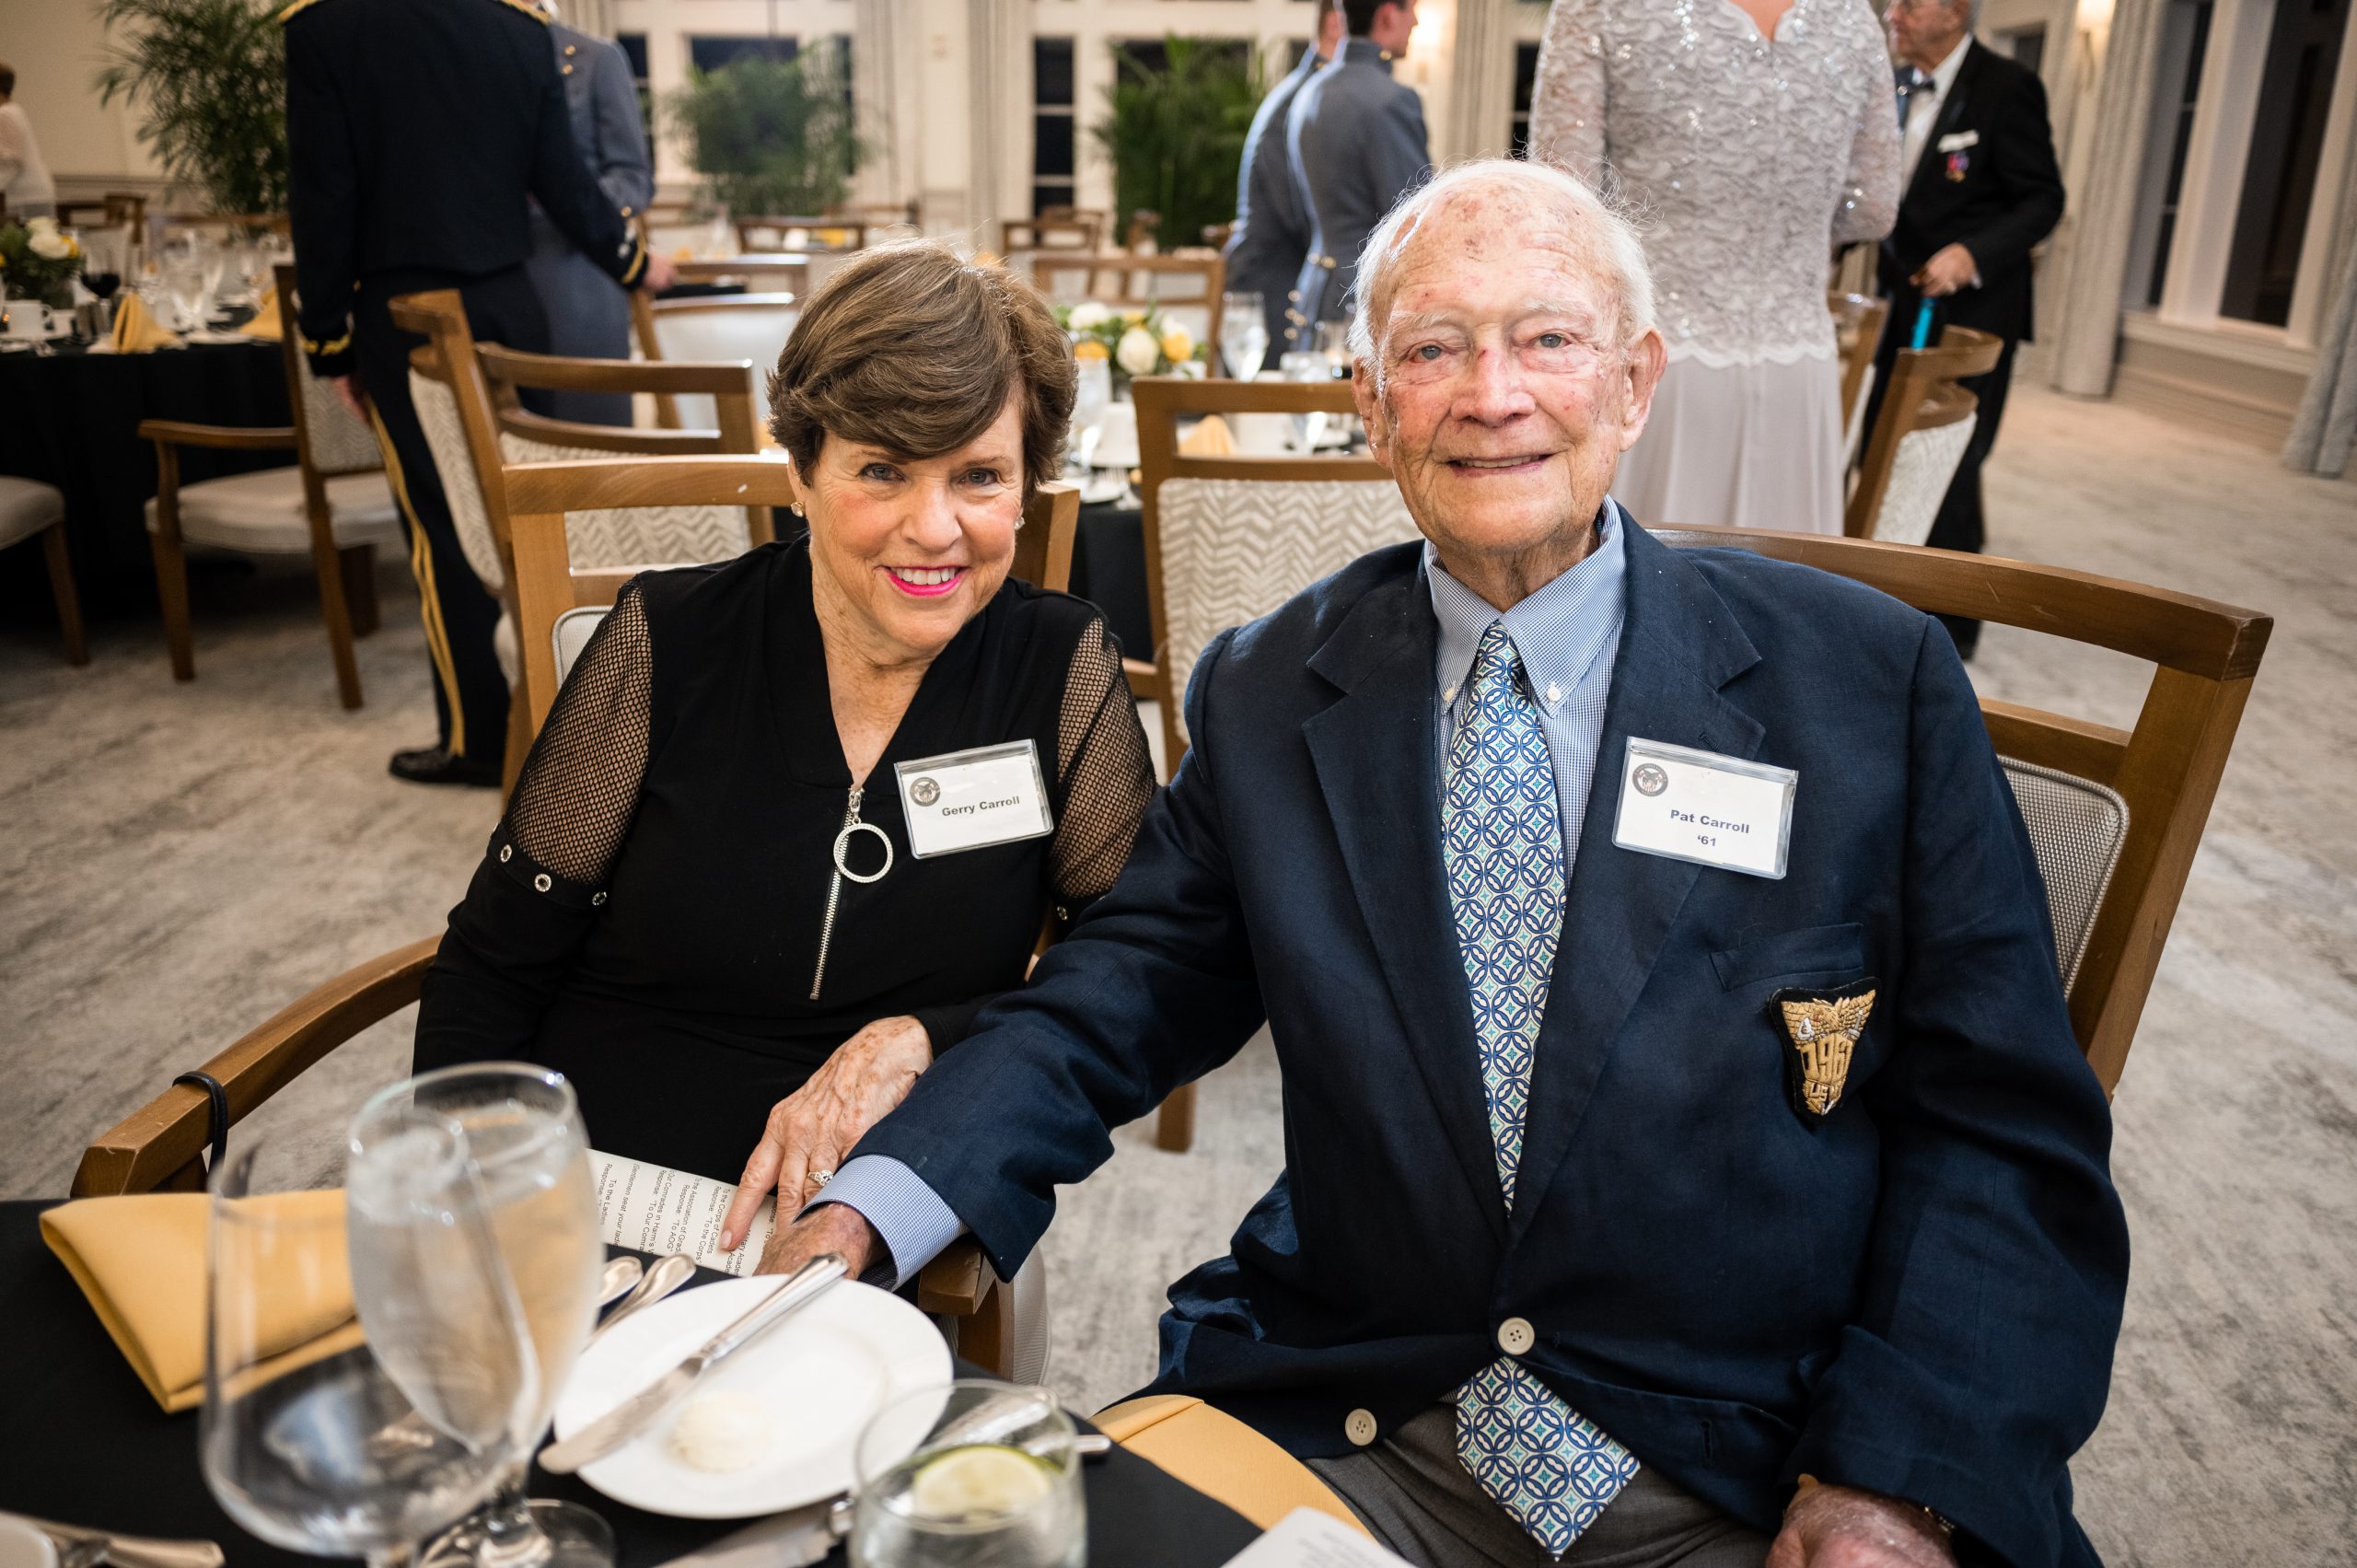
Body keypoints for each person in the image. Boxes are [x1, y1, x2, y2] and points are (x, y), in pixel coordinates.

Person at [768, 162, 2128, 1568]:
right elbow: (1122, 988)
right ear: (1371, 404)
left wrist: (1891, 1486)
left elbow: (2001, 1128)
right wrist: (879, 1200)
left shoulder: (1864, 683)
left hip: (1750, 1457)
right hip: (1366, 1416)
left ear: (1635, 382)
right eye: (1433, 348)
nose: (1492, 393)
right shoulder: (1271, 688)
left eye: (1547, 337)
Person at [412, 241, 1156, 1244]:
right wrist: (467, 1192)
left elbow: (1127, 971)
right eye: (882, 470)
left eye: (979, 476)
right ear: (800, 470)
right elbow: (493, 962)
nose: (934, 527)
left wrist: (928, 1040)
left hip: (861, 1204)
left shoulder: (1058, 668)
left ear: (1028, 485)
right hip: (591, 1178)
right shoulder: (670, 640)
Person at [283, 0, 675, 788]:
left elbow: (323, 197)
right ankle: (558, 713)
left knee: (444, 526)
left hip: (407, 315)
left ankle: (476, 737)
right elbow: (564, 183)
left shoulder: (326, 26)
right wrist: (632, 263)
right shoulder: (520, 27)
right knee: (526, 517)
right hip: (511, 310)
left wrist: (327, 341)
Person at [1529, 0, 1898, 535]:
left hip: (1655, 368)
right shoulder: (1853, 18)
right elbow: (1874, 208)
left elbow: (1562, 205)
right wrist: (1790, 242)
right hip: (1800, 370)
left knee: (1648, 573)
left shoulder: (1600, 7)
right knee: (1787, 577)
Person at [1875, 0, 2063, 656]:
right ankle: (1886, 597)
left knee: (1949, 456)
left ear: (1954, 12)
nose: (1893, 14)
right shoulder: (1894, 85)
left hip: (1974, 315)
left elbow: (2043, 199)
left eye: (1909, 2)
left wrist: (1972, 255)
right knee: (1886, 446)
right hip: (1904, 303)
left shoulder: (2007, 88)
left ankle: (1953, 625)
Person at [523, 5, 656, 427]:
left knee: (591, 432)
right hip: (500, 280)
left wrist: (567, 203)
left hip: (578, 278)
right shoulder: (476, 56)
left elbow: (633, 177)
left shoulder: (596, 58)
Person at [1285, 0, 1430, 335]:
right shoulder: (1391, 100)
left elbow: (1297, 211)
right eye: (1411, 9)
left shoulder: (1309, 91)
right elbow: (1415, 224)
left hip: (1314, 291)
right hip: (1365, 302)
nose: (1416, 22)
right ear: (1388, 14)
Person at [1225, 0, 1345, 360]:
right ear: (1335, 23)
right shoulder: (1305, 98)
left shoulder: (1309, 90)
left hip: (1279, 278)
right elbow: (1300, 210)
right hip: (1270, 287)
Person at [0, 62, 57, 220]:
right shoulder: (15, 110)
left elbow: (11, 160)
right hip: (33, 191)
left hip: (25, 194)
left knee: (28, 236)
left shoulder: (4, 114)